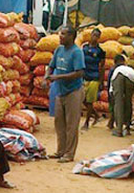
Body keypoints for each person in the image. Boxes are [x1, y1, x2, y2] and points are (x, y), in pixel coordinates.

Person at [45, 26, 85, 163]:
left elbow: (79, 73)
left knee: (71, 124)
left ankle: (69, 154)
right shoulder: (59, 50)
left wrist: (58, 77)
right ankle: (60, 150)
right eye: (60, 34)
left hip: (73, 91)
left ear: (71, 37)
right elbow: (51, 66)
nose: (60, 36)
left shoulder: (76, 52)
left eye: (64, 34)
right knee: (59, 122)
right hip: (60, 91)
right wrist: (47, 76)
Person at [81, 28, 105, 130]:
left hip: (94, 77)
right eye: (93, 35)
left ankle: (86, 123)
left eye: (96, 36)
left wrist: (101, 81)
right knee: (82, 99)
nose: (94, 37)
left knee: (90, 101)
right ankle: (96, 115)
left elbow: (102, 67)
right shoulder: (84, 48)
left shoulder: (100, 51)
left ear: (99, 38)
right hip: (84, 76)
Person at [109, 54, 134, 137]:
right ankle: (127, 128)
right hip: (131, 78)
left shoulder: (116, 70)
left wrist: (111, 97)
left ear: (115, 62)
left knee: (119, 103)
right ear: (124, 62)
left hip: (119, 77)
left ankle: (119, 130)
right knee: (128, 103)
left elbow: (111, 89)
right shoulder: (130, 69)